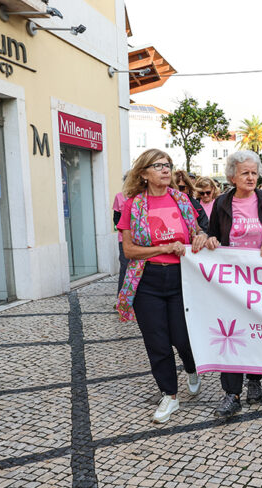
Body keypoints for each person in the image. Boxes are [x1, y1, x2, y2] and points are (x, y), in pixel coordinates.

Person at [115, 149, 208, 423]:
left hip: (182, 279)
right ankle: (169, 394)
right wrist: (165, 247)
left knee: (181, 336)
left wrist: (202, 237)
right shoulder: (133, 205)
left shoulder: (182, 200)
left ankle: (191, 367)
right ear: (144, 173)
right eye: (158, 166)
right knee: (157, 341)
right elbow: (130, 250)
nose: (165, 170)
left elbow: (197, 231)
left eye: (167, 165)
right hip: (148, 280)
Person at [205, 150, 262, 418]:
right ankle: (232, 393)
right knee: (232, 333)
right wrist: (211, 240)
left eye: (253, 172)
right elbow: (213, 232)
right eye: (245, 173)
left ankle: (255, 380)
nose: (251, 177)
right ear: (232, 176)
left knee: (257, 330)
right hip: (231, 281)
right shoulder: (221, 203)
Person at [112, 177, 129, 293]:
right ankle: (121, 299)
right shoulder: (119, 196)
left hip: (142, 239)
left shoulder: (143, 197)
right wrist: (125, 230)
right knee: (125, 267)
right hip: (124, 239)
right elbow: (116, 218)